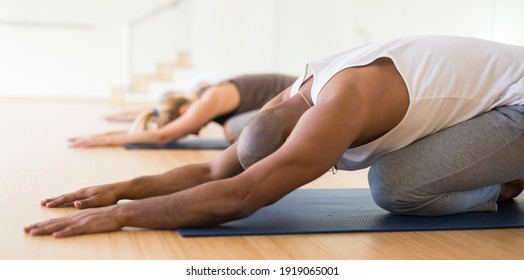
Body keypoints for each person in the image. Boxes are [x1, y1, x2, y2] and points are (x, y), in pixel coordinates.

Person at [25, 35, 523, 238]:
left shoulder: (339, 106)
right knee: (395, 179)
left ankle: (505, 180)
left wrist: (122, 217)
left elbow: (241, 197)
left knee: (393, 189)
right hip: (490, 97)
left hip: (517, 102)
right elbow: (216, 170)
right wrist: (121, 188)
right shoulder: (288, 98)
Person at [68, 73, 297, 147]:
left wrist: (105, 140)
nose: (193, 133)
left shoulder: (207, 102)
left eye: (187, 129)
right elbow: (160, 111)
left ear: (185, 111)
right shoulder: (194, 98)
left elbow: (163, 135)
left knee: (232, 130)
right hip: (289, 97)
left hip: (302, 95)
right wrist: (129, 117)